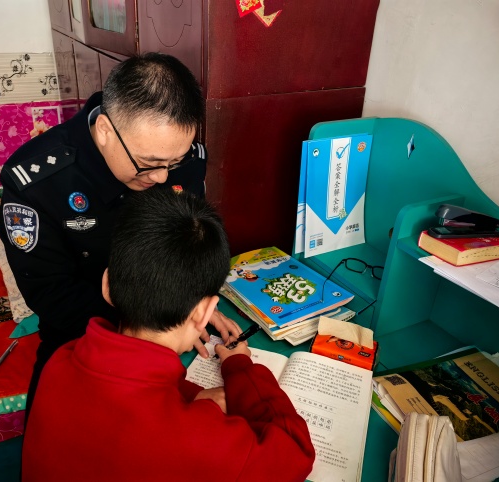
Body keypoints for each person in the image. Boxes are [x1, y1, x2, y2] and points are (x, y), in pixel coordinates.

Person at [0, 53, 240, 416]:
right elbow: (51, 297)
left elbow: (188, 246)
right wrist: (161, 323)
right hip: (81, 335)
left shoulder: (181, 158)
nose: (162, 177)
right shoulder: (37, 182)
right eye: (149, 164)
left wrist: (196, 302)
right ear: (105, 131)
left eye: (172, 163)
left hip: (175, 329)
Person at [21, 188, 315, 482]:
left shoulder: (59, 362)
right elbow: (295, 450)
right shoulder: (197, 441)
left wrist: (194, 396)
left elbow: (128, 394)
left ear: (107, 284)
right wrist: (240, 368)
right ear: (205, 312)